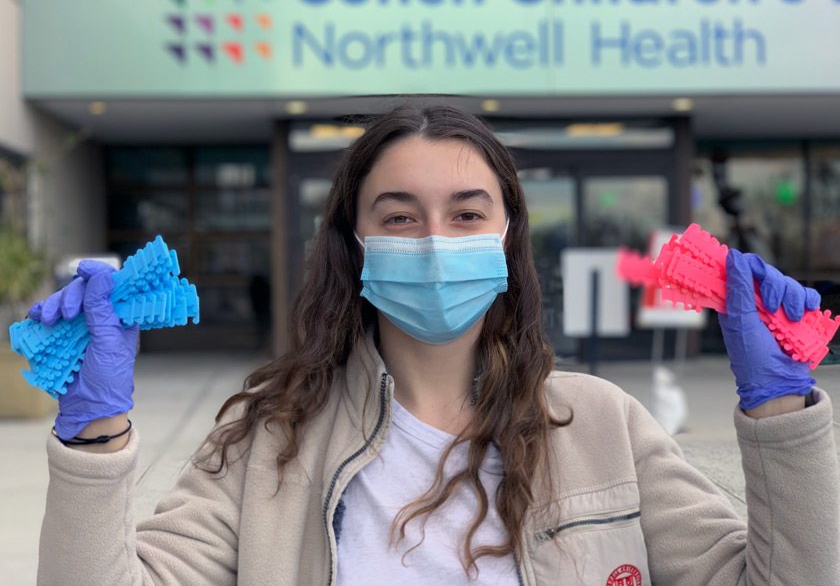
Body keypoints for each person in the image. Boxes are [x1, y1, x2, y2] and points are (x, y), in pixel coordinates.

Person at [33, 105, 839, 585]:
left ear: (506, 238)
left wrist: (783, 419)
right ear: (356, 241)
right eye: (399, 214)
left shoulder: (603, 426)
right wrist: (94, 437)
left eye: (465, 213)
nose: (431, 240)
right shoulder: (265, 442)